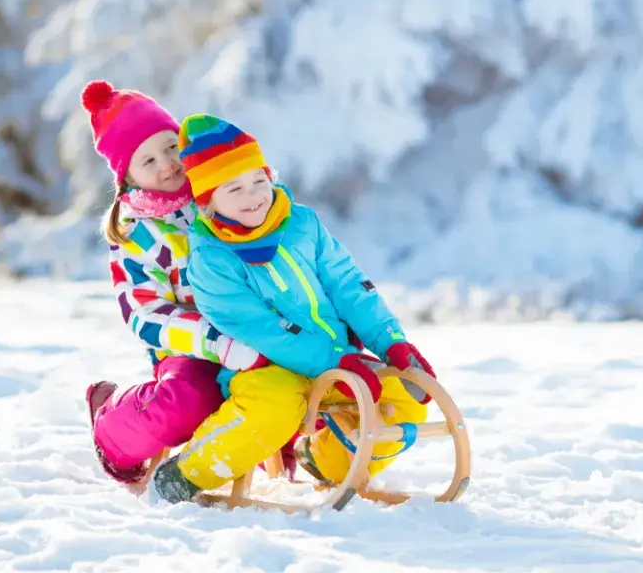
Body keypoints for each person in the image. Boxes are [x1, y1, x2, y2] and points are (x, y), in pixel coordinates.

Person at [148, 113, 436, 504]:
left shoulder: (302, 224)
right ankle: (186, 474)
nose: (253, 197)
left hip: (337, 360)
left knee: (406, 394)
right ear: (208, 201)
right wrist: (333, 361)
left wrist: (392, 343)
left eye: (259, 181)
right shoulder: (211, 259)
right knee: (274, 410)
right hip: (269, 367)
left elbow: (350, 286)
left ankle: (327, 461)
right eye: (234, 189)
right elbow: (261, 329)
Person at [78, 82, 294, 487]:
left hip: (253, 327)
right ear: (128, 177)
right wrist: (215, 342)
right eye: (148, 160)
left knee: (300, 368)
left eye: (170, 147)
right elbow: (145, 312)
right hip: (190, 348)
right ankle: (112, 429)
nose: (167, 164)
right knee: (187, 403)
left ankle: (301, 447)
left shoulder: (216, 192)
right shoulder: (137, 233)